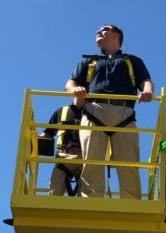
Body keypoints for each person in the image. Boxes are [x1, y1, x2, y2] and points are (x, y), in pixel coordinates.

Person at [65, 24, 154, 199]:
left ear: (117, 36)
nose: (99, 32)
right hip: (94, 111)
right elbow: (70, 83)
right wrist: (74, 90)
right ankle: (90, 200)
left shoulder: (132, 60)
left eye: (104, 29)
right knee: (91, 161)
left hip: (124, 113)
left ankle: (132, 202)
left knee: (128, 162)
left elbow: (145, 81)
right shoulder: (89, 62)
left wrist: (148, 91)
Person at [40, 101, 83, 196]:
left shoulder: (93, 111)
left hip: (86, 160)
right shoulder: (62, 111)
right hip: (64, 158)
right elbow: (47, 133)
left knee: (88, 198)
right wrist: (33, 140)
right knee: (55, 193)